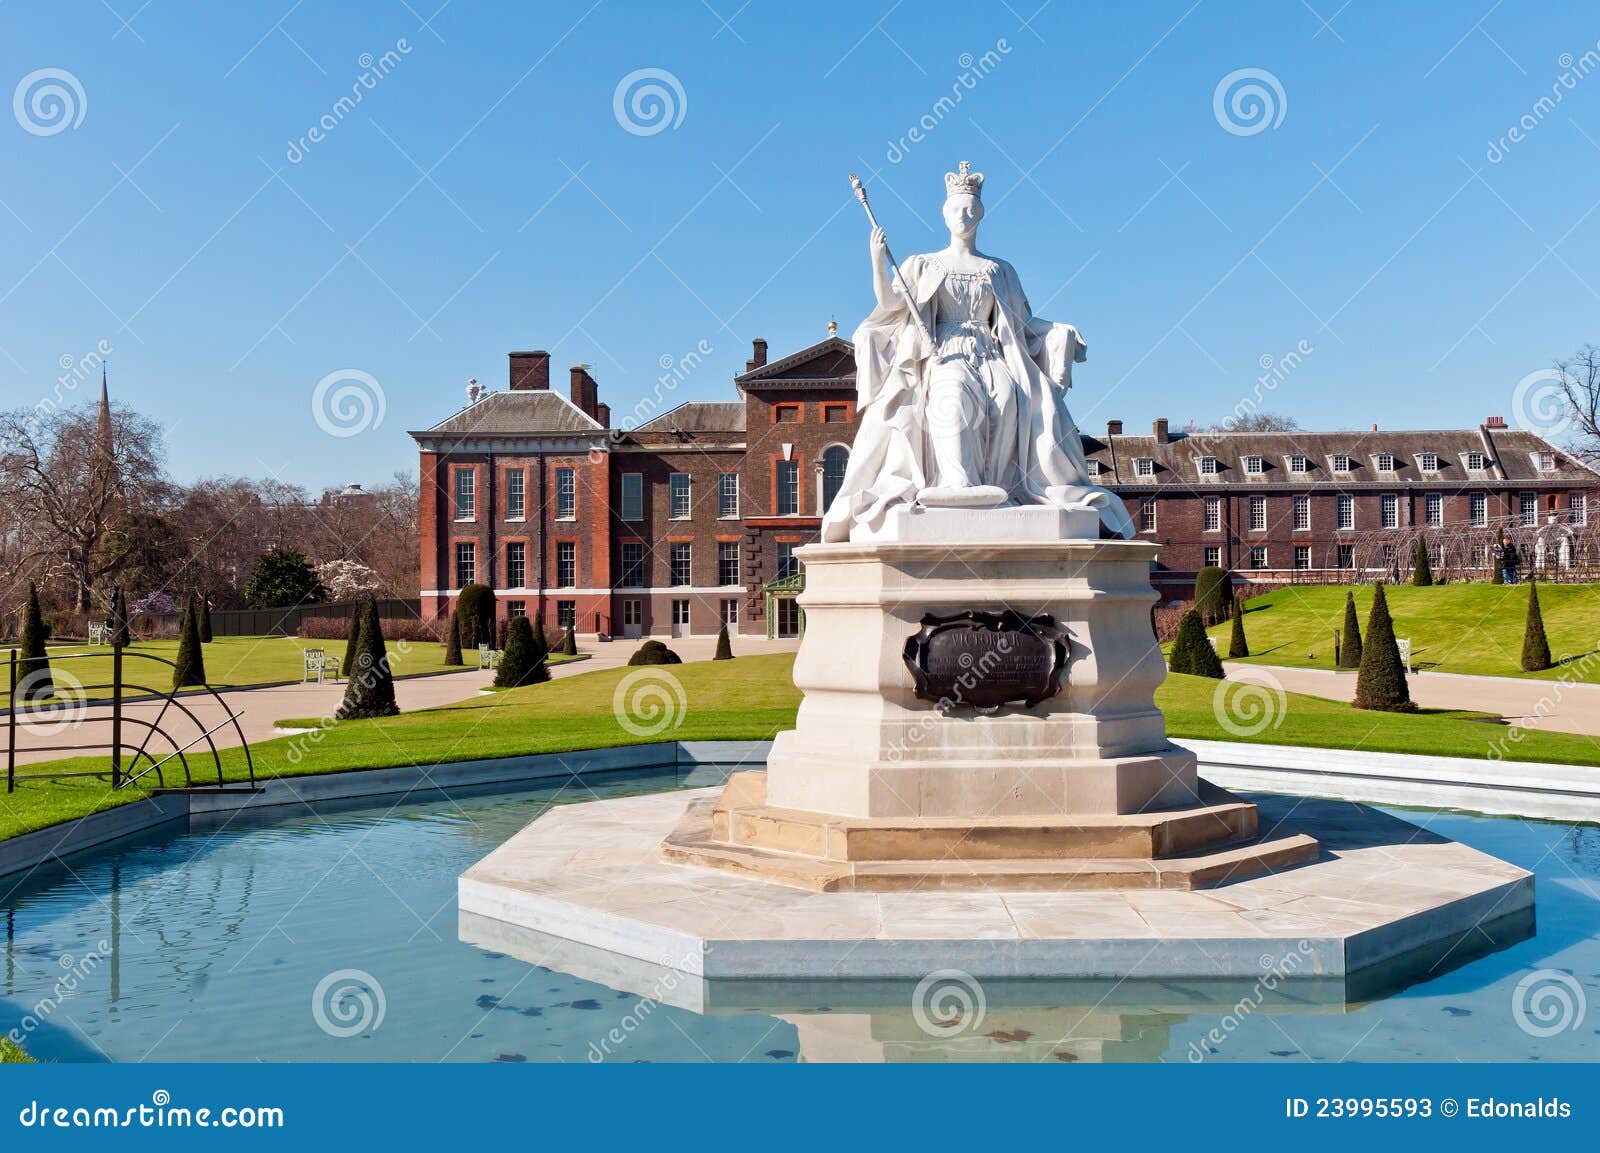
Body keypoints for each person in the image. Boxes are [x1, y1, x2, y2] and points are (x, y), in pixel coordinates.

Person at [820, 162, 1135, 543]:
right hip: (943, 352)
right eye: (957, 209)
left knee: (1008, 399)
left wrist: (1058, 333)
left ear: (980, 215)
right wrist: (876, 259)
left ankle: (1002, 487)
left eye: (971, 210)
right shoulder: (923, 263)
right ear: (945, 214)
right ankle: (958, 482)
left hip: (990, 351)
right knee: (952, 399)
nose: (964, 215)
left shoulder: (999, 270)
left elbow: (1020, 324)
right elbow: (890, 304)